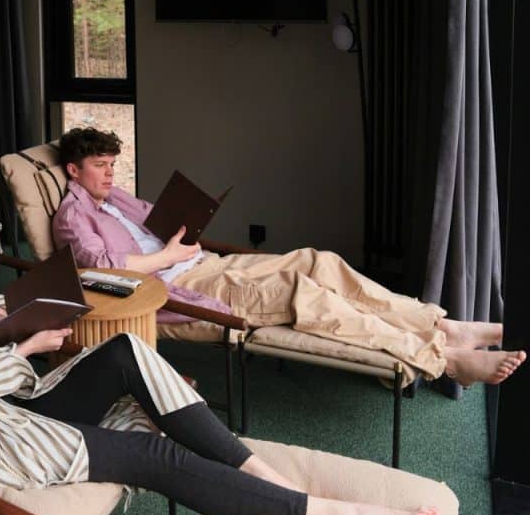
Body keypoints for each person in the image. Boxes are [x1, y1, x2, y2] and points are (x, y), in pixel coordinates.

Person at [0, 187, 440, 515]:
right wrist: (24, 348)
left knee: (128, 352)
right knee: (153, 456)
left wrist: (2, 312)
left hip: (15, 393)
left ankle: (264, 476)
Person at [51, 127, 526, 387]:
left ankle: (437, 323)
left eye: (113, 164)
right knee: (304, 293)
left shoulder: (114, 199)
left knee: (318, 262)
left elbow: (156, 222)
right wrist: (171, 255)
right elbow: (104, 269)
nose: (111, 174)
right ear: (74, 170)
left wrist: (186, 228)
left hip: (205, 264)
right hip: (180, 290)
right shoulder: (74, 216)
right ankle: (442, 358)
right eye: (100, 166)